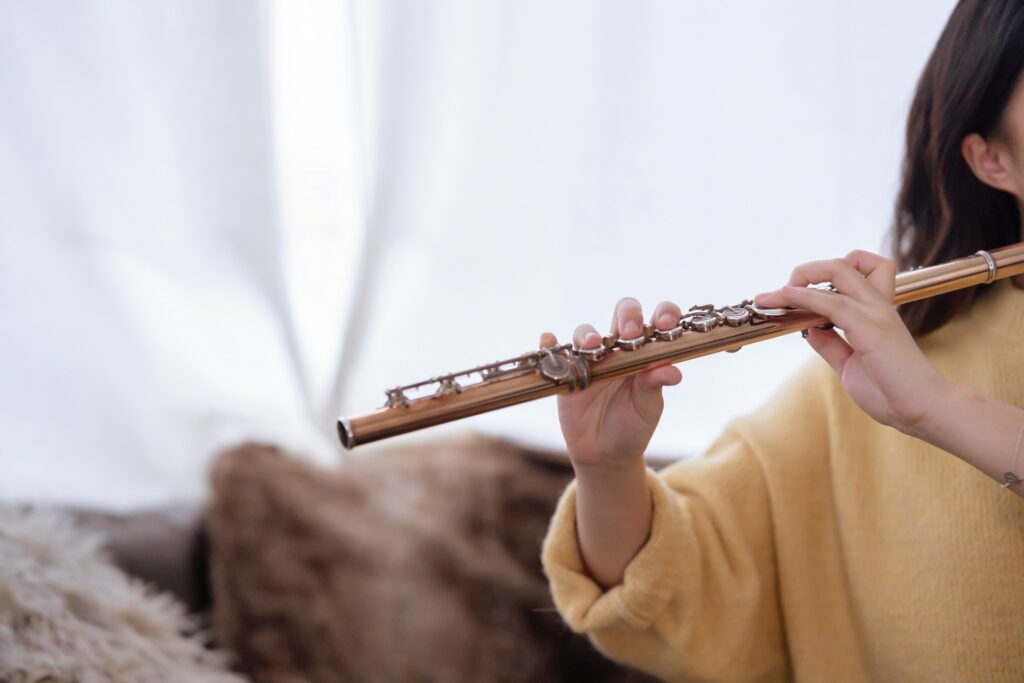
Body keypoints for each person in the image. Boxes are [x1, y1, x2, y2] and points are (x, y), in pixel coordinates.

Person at [538, 1, 1024, 680]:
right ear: (993, 158)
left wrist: (938, 407)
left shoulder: (915, 384)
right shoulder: (888, 368)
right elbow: (679, 590)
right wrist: (607, 469)